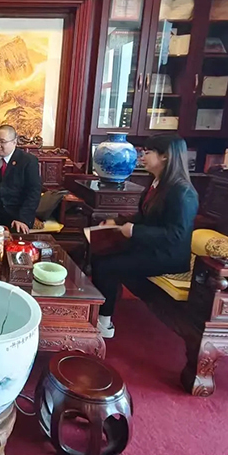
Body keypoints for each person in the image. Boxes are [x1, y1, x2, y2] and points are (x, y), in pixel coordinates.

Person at [90, 134, 199, 339]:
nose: (142, 157)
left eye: (147, 153)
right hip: (151, 247)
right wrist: (117, 222)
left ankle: (104, 323)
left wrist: (134, 231)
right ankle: (102, 306)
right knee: (98, 254)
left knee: (106, 266)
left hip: (168, 256)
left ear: (165, 156)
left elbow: (176, 234)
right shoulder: (158, 184)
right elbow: (144, 216)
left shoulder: (182, 192)